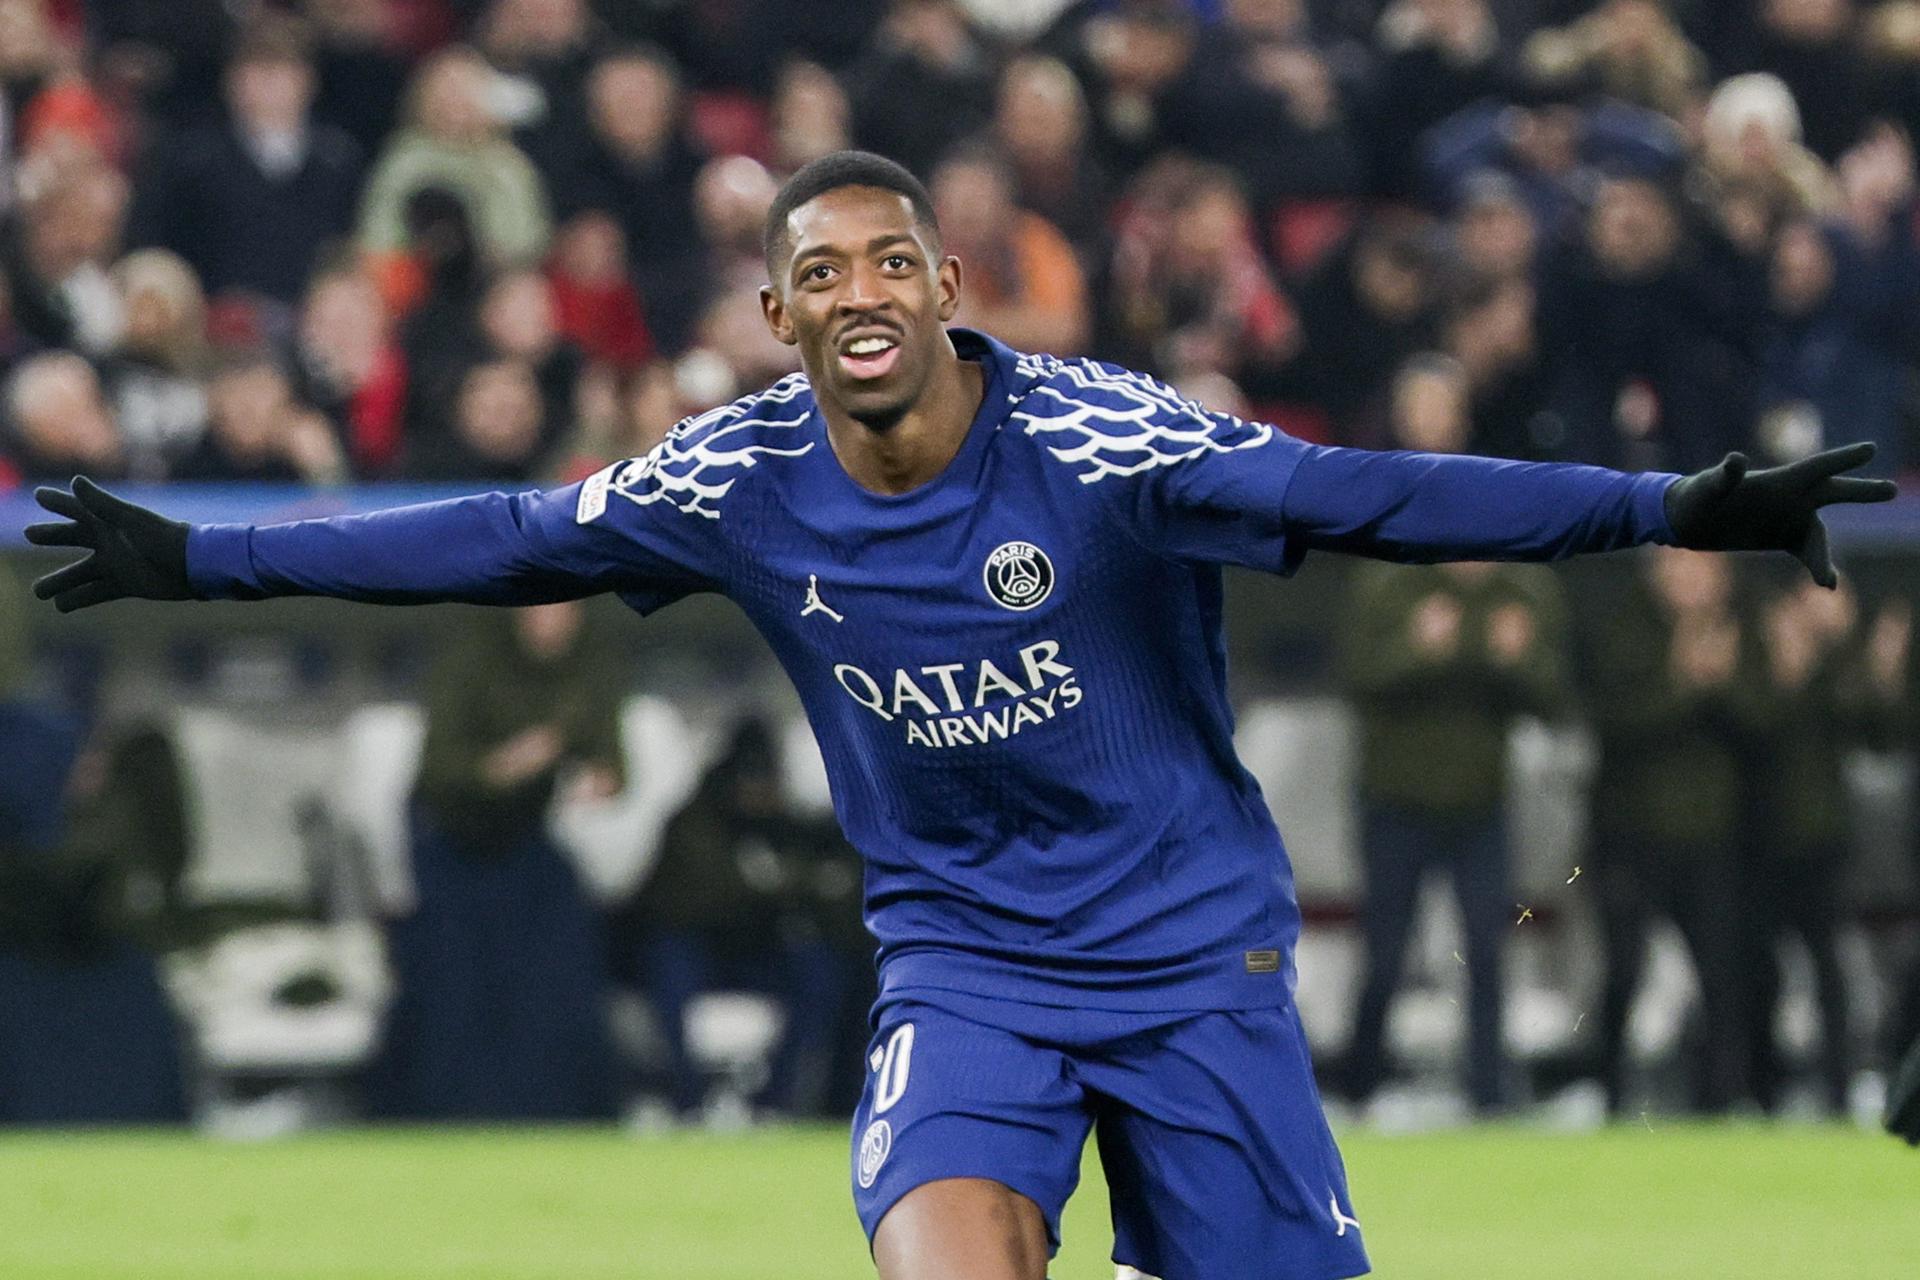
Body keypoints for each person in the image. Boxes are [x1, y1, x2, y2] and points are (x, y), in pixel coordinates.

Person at [22, 151, 1893, 1280]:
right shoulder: (735, 476)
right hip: (966, 973)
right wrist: (205, 560)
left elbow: (1371, 497)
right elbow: (502, 538)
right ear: (774, 309)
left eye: (889, 262)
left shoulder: (1101, 442)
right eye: (817, 271)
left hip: (1187, 964)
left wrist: (1668, 511)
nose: (857, 294)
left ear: (945, 285)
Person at [1335, 355, 1573, 1115]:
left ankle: (1489, 1095)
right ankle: (1360, 1085)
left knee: (1486, 956)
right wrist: (1422, 648)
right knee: (1385, 951)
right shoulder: (1379, 555)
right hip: (1395, 793)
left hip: (1480, 795)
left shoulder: (1516, 581)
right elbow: (1358, 676)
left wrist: (1509, 656)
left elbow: (1551, 690)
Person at [1579, 547, 1761, 1116]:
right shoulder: (1621, 628)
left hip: (1715, 837)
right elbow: (1612, 723)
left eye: (1705, 565)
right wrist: (1683, 681)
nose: (1691, 578)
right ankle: (1605, 1093)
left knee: (1724, 977)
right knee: (1623, 973)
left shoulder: (1744, 632)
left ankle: (1725, 1101)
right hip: (1630, 836)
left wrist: (1724, 684)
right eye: (1680, 563)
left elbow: (1769, 723)